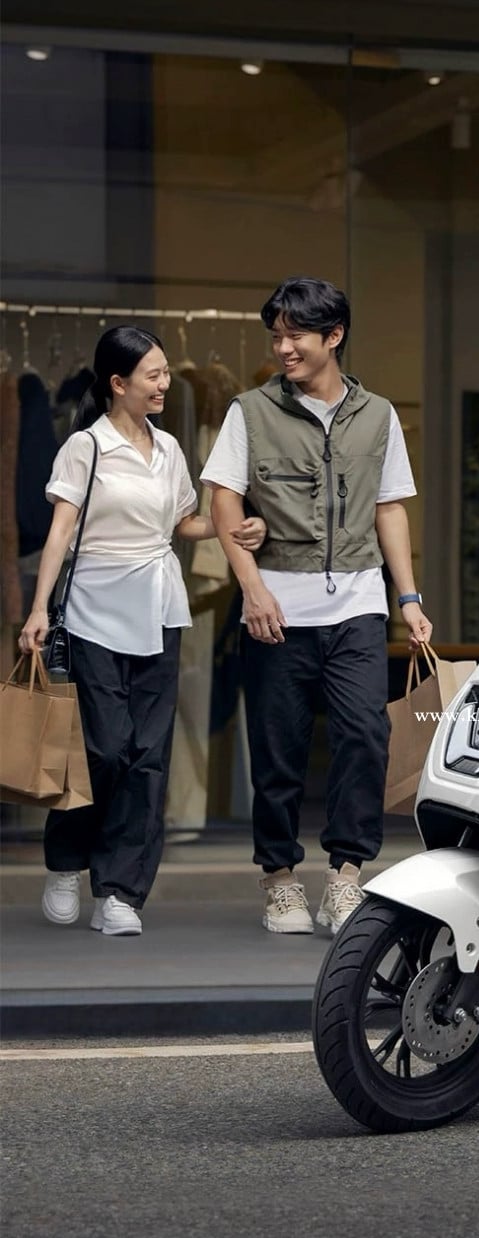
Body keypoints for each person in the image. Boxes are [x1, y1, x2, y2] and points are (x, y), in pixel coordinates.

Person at [202, 276, 432, 936]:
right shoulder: (249, 412)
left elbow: (390, 508)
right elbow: (223, 499)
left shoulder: (378, 416)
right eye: (275, 336)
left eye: (295, 335)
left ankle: (345, 874)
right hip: (276, 608)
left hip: (357, 606)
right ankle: (278, 878)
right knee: (279, 752)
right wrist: (252, 588)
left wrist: (408, 597)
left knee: (364, 737)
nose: (283, 348)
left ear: (334, 336)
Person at [18, 327, 267, 936]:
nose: (164, 384)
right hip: (94, 611)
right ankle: (67, 859)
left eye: (164, 373)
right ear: (118, 383)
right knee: (103, 750)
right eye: (153, 375)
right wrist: (38, 608)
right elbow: (59, 533)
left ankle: (120, 892)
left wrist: (234, 528)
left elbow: (185, 523)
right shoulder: (86, 446)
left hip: (160, 608)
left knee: (148, 758)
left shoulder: (170, 447)